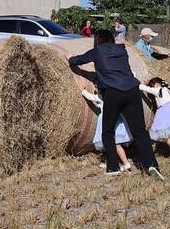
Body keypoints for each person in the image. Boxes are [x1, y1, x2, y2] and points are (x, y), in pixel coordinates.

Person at [68, 29, 164, 179]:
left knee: (107, 131)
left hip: (113, 92)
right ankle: (152, 165)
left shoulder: (97, 51)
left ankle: (113, 167)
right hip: (132, 90)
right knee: (139, 131)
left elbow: (78, 60)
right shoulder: (122, 50)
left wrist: (70, 59)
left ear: (98, 40)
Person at [82, 89, 133, 171]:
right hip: (116, 119)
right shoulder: (113, 96)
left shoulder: (101, 97)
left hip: (106, 119)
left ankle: (126, 163)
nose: (95, 89)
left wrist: (83, 91)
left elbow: (90, 97)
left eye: (96, 87)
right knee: (111, 143)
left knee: (114, 143)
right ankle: (112, 162)